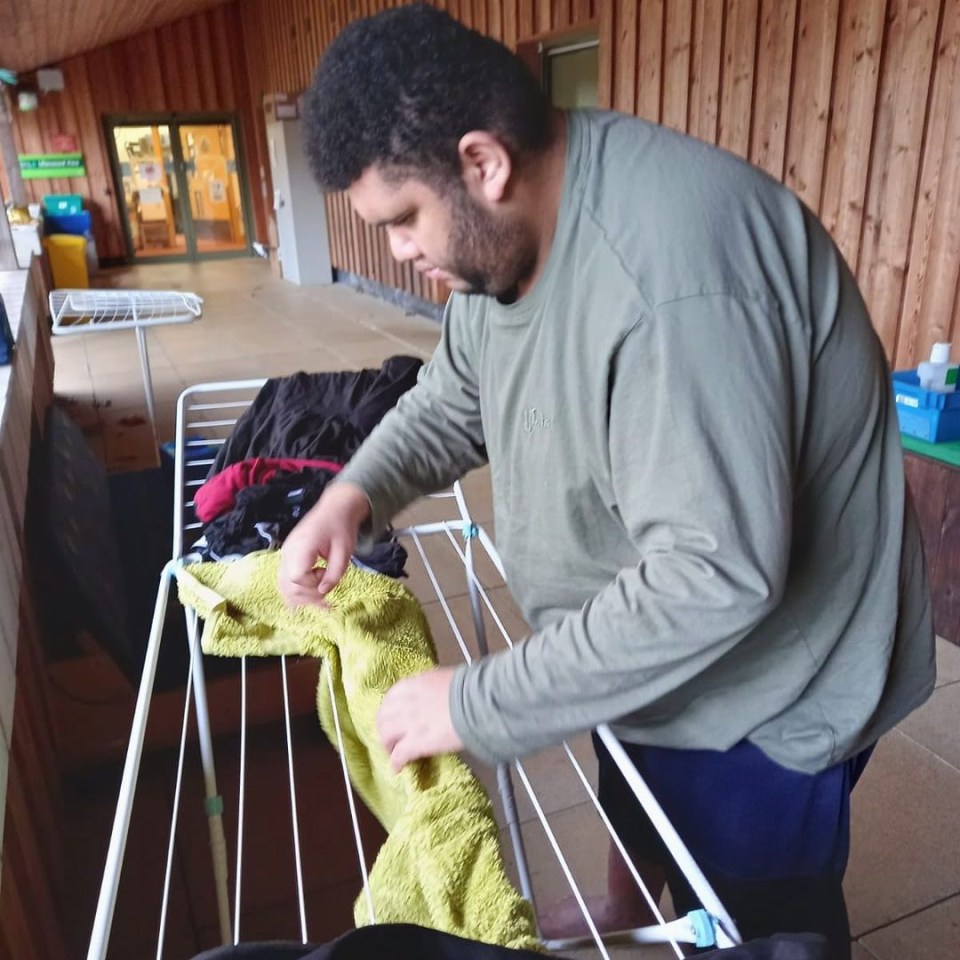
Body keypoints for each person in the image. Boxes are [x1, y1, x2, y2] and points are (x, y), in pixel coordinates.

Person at [278, 5, 935, 956]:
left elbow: (714, 578)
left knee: (762, 917)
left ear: (482, 164)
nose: (398, 254)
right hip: (645, 652)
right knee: (637, 780)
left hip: (769, 693)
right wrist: (355, 492)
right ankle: (630, 900)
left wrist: (474, 702)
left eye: (404, 219)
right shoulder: (501, 248)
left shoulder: (675, 282)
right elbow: (459, 389)